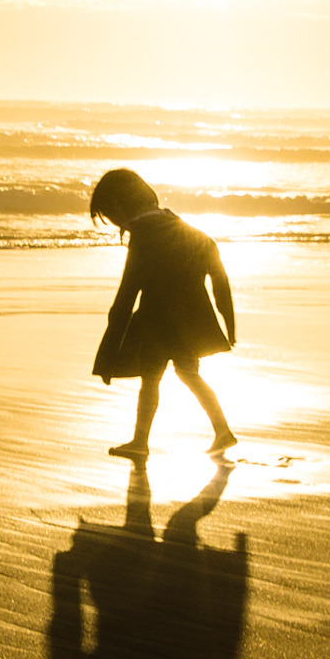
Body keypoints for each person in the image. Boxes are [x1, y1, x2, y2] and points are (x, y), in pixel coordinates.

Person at [85, 166, 237, 460]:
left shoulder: (143, 237)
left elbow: (125, 298)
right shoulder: (189, 231)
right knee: (188, 373)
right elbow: (220, 279)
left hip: (158, 323)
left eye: (110, 215)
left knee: (152, 379)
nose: (114, 223)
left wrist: (107, 356)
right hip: (190, 323)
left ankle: (140, 442)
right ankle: (222, 430)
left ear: (120, 206)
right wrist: (228, 325)